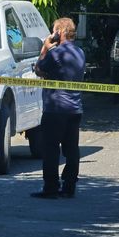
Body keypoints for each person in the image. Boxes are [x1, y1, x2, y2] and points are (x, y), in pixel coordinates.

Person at [31, 17, 86, 199]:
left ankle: (51, 187)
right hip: (75, 108)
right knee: (72, 149)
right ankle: (70, 185)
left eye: (53, 30)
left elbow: (39, 69)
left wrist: (45, 47)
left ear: (59, 32)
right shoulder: (80, 52)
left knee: (51, 149)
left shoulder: (56, 53)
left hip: (55, 109)